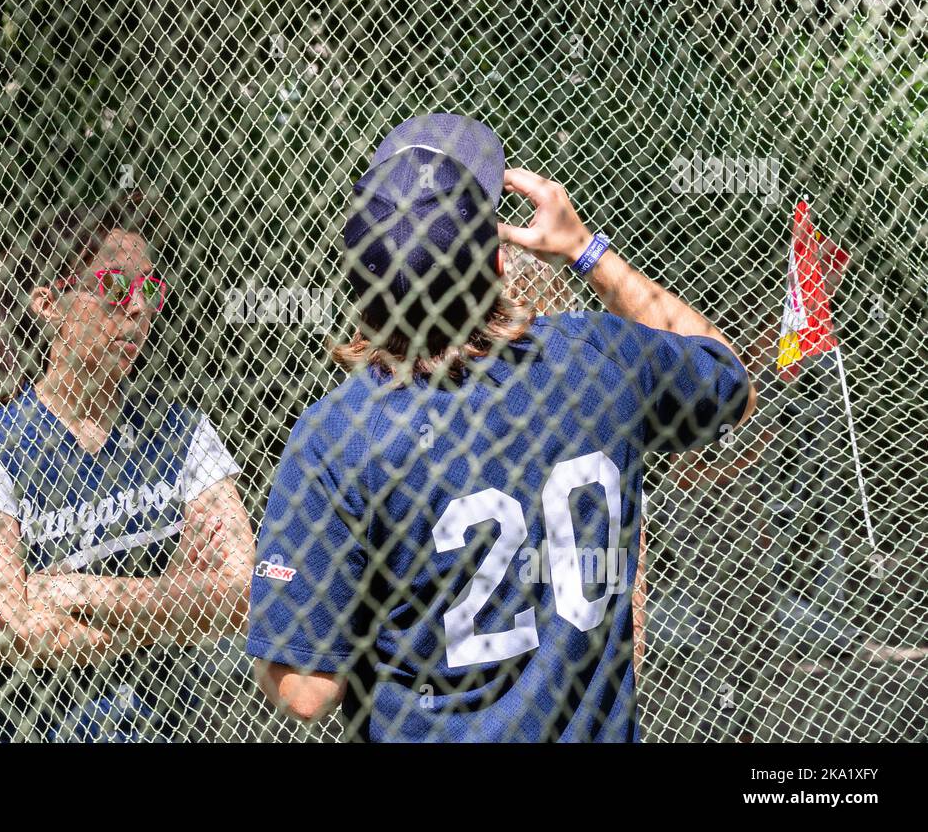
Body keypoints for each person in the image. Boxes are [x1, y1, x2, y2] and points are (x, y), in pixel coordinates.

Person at [245, 113, 756, 741]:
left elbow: (304, 691)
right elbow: (727, 376)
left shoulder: (341, 435)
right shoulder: (597, 360)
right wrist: (582, 248)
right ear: (496, 261)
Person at [0, 189, 254, 741]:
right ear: (49, 304)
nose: (139, 309)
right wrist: (173, 604)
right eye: (115, 287)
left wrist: (80, 595)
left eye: (151, 290)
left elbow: (244, 594)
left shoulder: (186, 435)